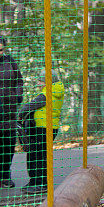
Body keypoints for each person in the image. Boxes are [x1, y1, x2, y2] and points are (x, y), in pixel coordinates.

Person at [18, 71, 64, 194]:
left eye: (40, 81)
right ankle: (37, 181)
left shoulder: (47, 94)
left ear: (48, 82)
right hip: (48, 128)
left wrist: (20, 115)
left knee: (37, 155)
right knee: (40, 154)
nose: (38, 84)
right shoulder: (54, 91)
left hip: (43, 129)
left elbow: (29, 106)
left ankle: (40, 183)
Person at [0, 39, 23, 188]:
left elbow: (19, 80)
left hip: (9, 112)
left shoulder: (10, 61)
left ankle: (5, 176)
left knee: (8, 145)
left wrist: (17, 96)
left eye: (1, 50)